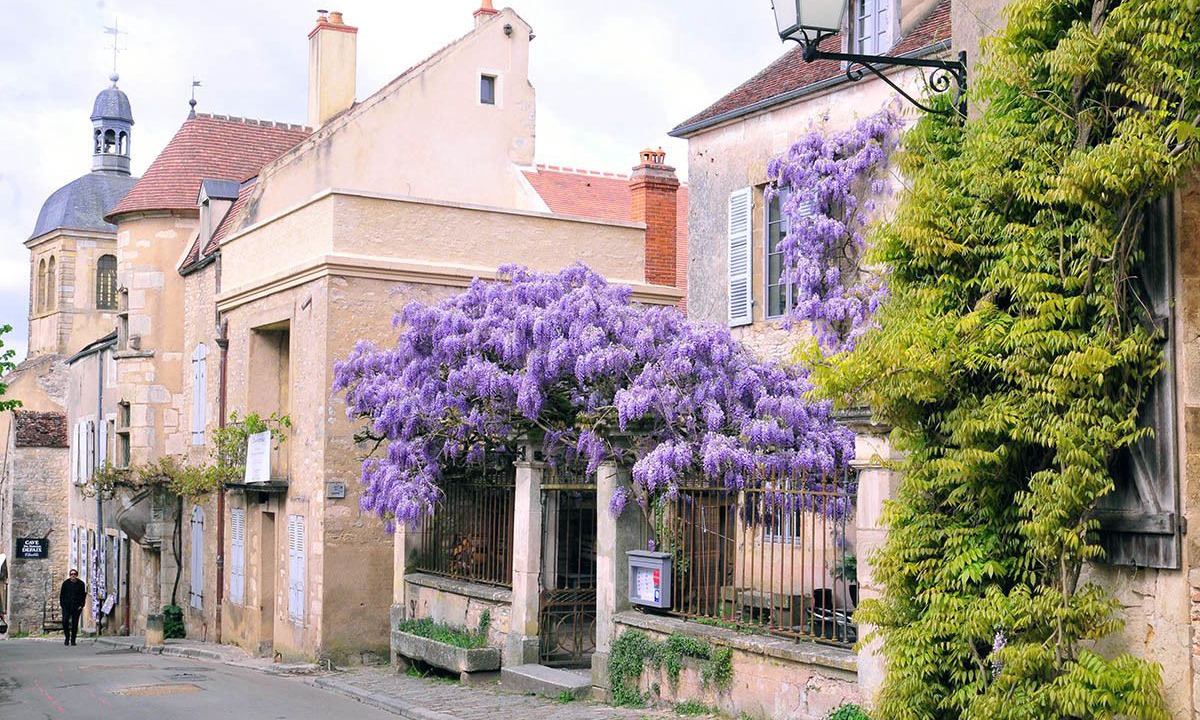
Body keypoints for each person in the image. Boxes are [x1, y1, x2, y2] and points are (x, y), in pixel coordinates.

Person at [59, 569, 87, 646]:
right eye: (71, 574)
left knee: (75, 624)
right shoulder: (65, 584)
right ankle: (67, 637)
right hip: (66, 606)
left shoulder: (81, 584)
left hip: (76, 607)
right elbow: (62, 595)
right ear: (70, 575)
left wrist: (81, 605)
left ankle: (73, 639)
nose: (73, 575)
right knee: (65, 621)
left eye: (74, 574)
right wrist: (62, 604)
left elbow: (83, 596)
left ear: (76, 575)